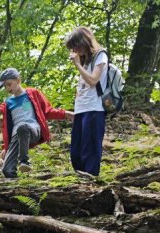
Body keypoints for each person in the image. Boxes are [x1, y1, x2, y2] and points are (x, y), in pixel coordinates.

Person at [0, 67, 74, 178]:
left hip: (32, 130)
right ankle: (18, 190)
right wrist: (5, 147)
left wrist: (65, 114)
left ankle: (24, 162)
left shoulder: (33, 94)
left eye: (9, 84)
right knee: (7, 170)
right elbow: (6, 128)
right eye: (5, 86)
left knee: (22, 127)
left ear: (18, 80)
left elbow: (48, 111)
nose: (7, 88)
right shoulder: (8, 103)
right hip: (15, 137)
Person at [65, 26, 108, 176]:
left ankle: (90, 178)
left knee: (89, 149)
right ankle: (80, 177)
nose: (75, 51)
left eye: (76, 46)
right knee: (76, 149)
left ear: (84, 42)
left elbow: (93, 81)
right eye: (73, 48)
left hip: (94, 108)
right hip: (81, 109)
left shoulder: (100, 56)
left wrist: (77, 64)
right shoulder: (85, 60)